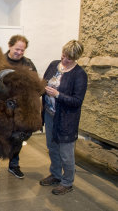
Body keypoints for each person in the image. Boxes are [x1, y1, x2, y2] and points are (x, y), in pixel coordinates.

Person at [39, 40, 87, 195]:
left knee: (66, 153)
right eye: (64, 55)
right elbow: (44, 82)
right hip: (50, 114)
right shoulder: (54, 65)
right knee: (52, 147)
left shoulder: (79, 75)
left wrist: (58, 95)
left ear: (76, 58)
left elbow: (77, 102)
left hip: (66, 119)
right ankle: (56, 174)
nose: (64, 60)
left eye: (69, 59)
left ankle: (67, 182)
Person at [0, 35, 37, 179]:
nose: (20, 53)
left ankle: (14, 165)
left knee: (18, 137)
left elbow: (35, 83)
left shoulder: (28, 64)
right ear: (10, 46)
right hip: (3, 109)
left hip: (21, 110)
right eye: (17, 49)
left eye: (22, 50)